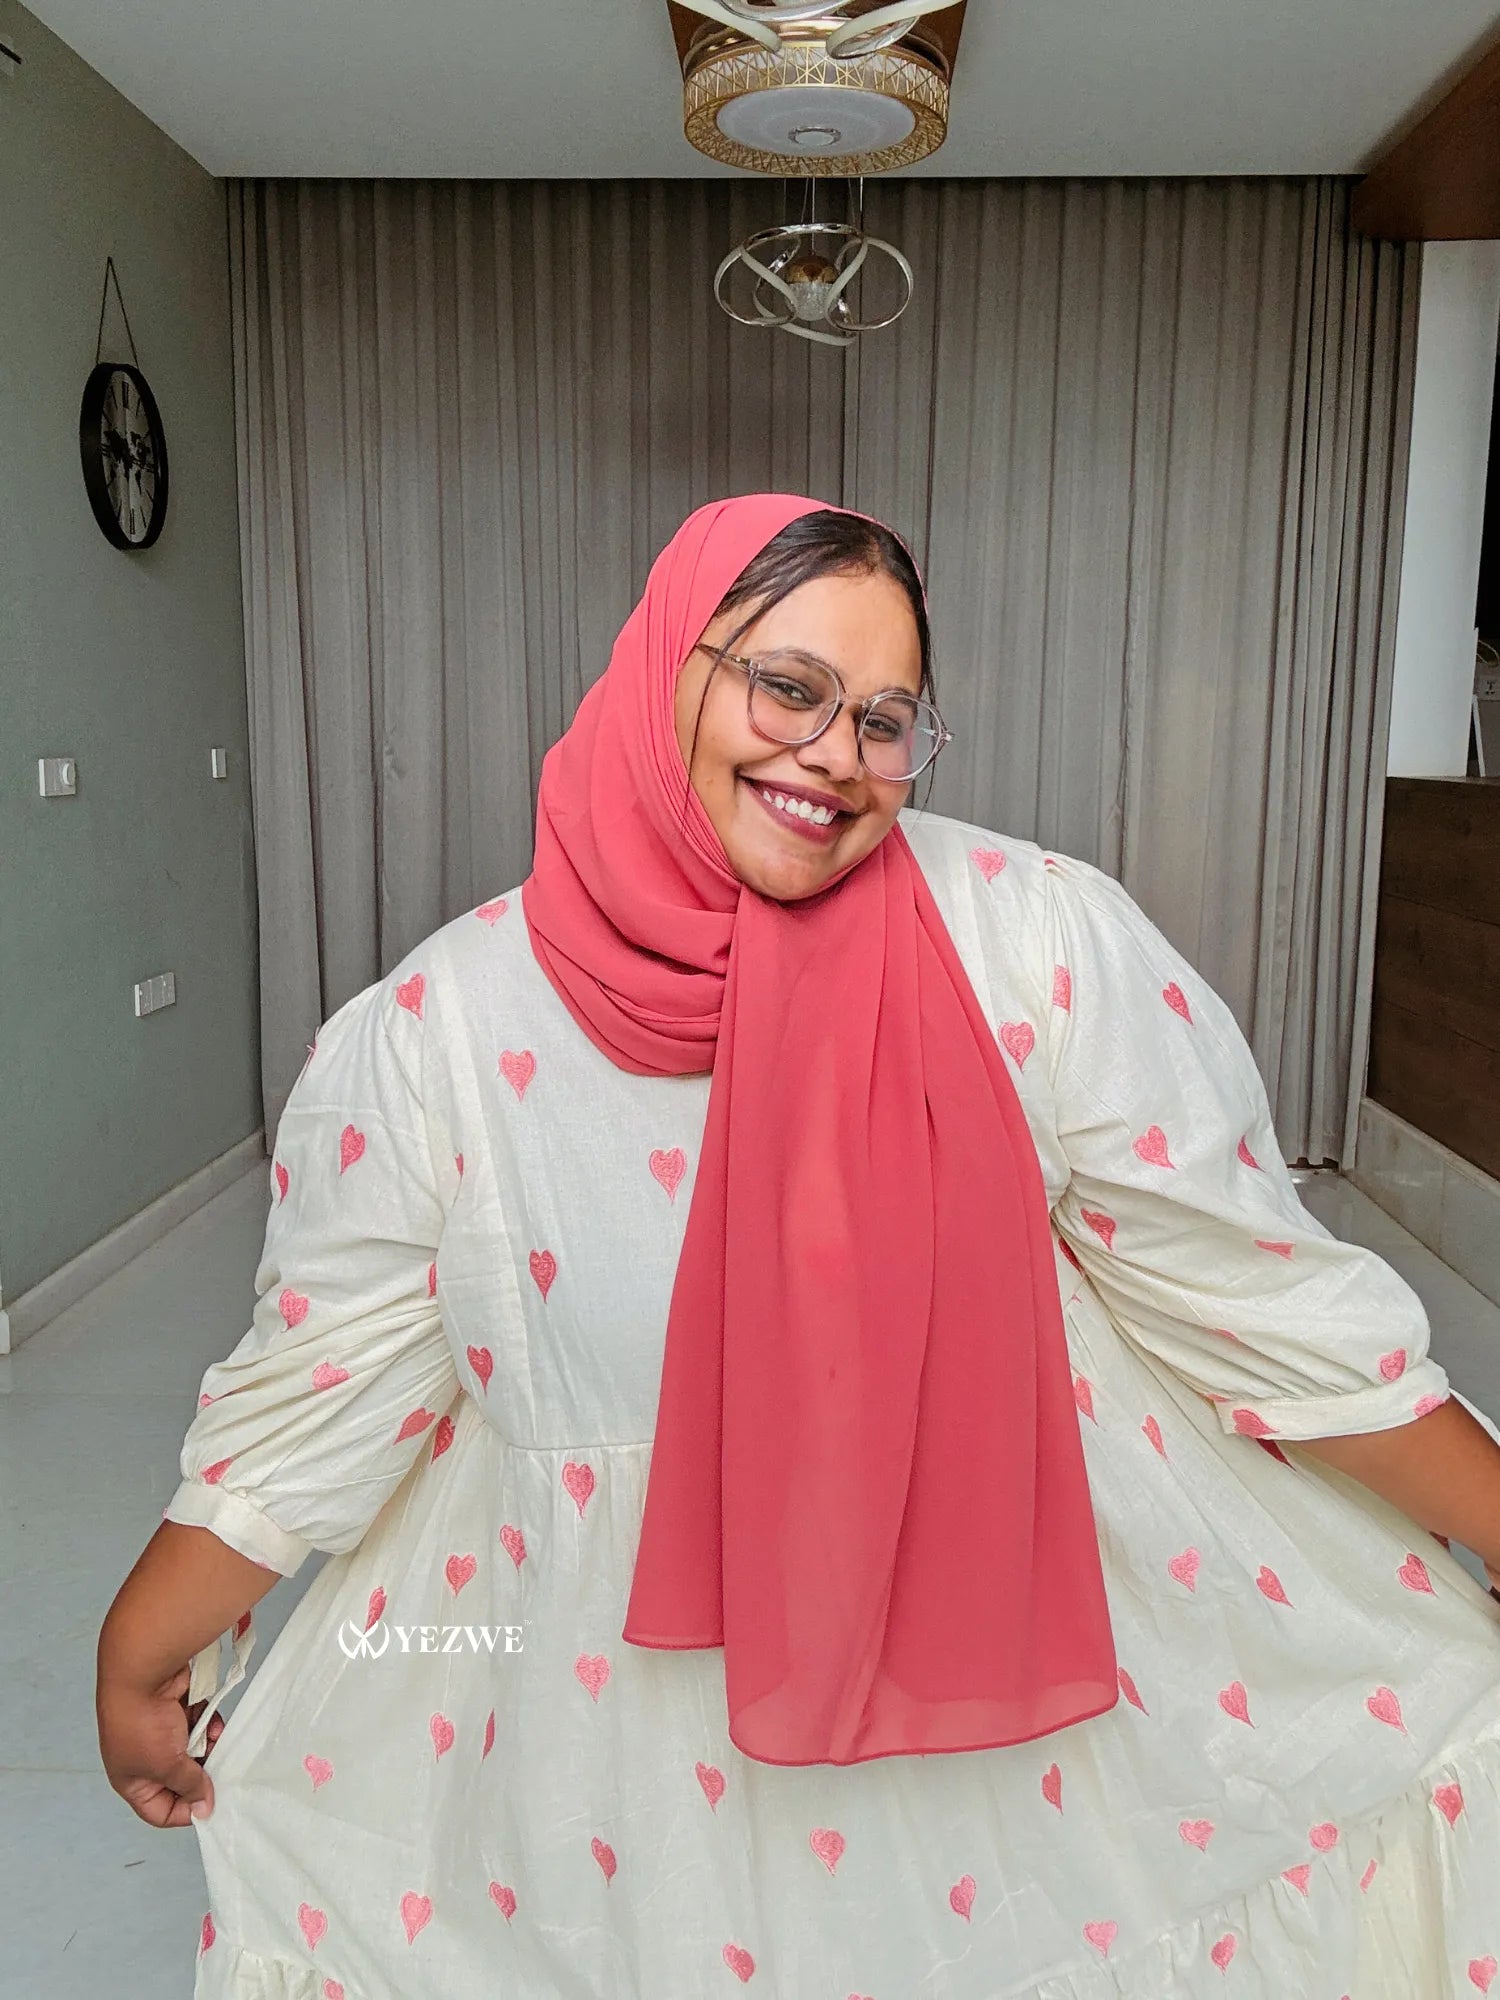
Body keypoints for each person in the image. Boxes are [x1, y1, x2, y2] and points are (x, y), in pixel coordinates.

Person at [97, 493, 1500, 1999]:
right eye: (789, 686)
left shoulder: (1032, 942)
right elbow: (320, 1401)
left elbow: (1258, 1306)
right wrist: (139, 1649)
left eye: (887, 717)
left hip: (1022, 1746)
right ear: (665, 669)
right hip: (623, 1772)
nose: (836, 751)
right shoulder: (442, 1036)